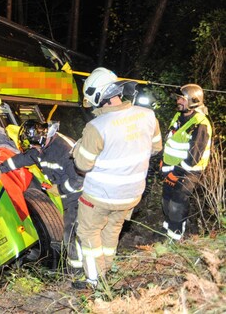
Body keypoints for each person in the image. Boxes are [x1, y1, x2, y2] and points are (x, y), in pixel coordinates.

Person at [71, 67, 162, 289]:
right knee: (112, 230)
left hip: (99, 196)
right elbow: (156, 148)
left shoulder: (96, 127)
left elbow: (82, 165)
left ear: (98, 96)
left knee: (89, 233)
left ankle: (94, 280)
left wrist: (77, 148)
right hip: (131, 195)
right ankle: (107, 269)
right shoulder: (148, 115)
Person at [0, 119, 84, 271]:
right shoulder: (42, 148)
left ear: (41, 139)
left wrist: (60, 189)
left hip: (80, 195)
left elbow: (79, 179)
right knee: (73, 231)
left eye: (33, 144)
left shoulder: (65, 151)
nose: (33, 148)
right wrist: (2, 168)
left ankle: (78, 271)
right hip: (69, 194)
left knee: (73, 233)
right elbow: (26, 157)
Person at [161, 84, 212, 241]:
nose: (178, 101)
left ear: (193, 101)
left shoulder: (200, 124)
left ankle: (175, 235)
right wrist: (164, 164)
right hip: (173, 168)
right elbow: (172, 142)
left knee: (177, 203)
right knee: (166, 199)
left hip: (190, 171)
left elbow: (193, 157)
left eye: (182, 98)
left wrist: (175, 173)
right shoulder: (178, 116)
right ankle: (168, 227)